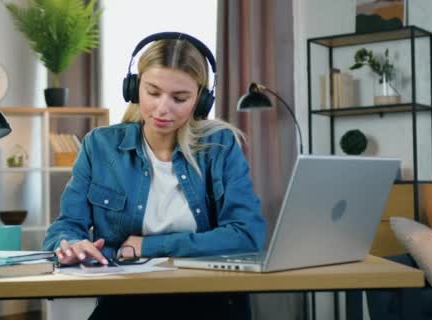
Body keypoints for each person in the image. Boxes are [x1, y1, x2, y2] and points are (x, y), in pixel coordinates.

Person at [43, 32, 266, 320]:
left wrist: (147, 246)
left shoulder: (220, 147)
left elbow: (247, 234)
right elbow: (67, 225)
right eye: (153, 92)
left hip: (210, 301)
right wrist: (70, 245)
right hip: (126, 300)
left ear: (201, 100)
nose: (163, 108)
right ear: (134, 88)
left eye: (180, 98)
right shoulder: (99, 145)